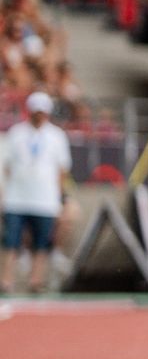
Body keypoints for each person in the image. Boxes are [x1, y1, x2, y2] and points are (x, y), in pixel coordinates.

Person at [2, 91, 71, 294]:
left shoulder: (57, 136)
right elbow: (6, 166)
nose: (39, 115)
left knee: (41, 243)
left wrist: (60, 198)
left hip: (44, 198)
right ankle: (6, 281)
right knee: (11, 241)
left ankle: (36, 280)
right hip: (17, 197)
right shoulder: (16, 133)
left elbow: (62, 170)